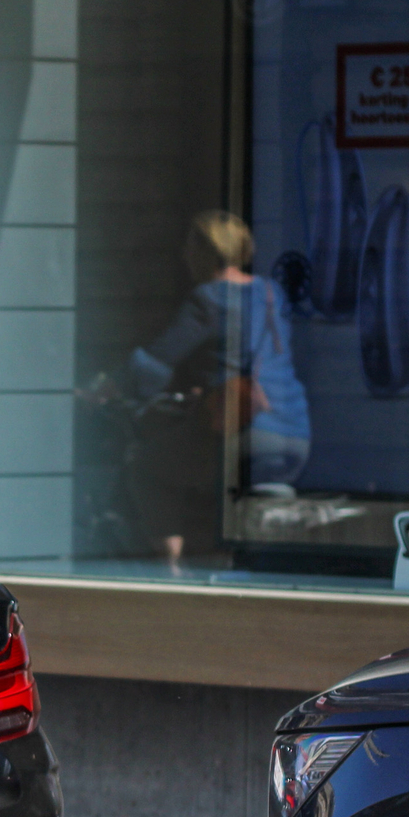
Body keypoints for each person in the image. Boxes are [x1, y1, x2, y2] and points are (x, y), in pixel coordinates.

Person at [111, 211, 313, 567]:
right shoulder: (271, 293)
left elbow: (157, 361)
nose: (185, 255)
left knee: (146, 470)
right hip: (294, 432)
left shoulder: (209, 299)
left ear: (203, 251)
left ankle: (171, 571)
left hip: (244, 429)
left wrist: (110, 387)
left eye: (190, 245)